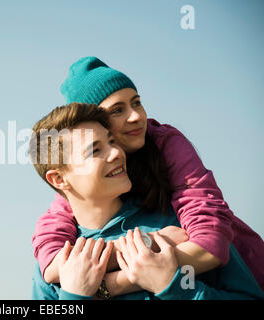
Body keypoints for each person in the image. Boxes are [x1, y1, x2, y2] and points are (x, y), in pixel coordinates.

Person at [32, 57, 264, 295]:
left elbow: (211, 242)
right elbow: (50, 265)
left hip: (252, 264)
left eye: (137, 103)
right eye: (117, 110)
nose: (135, 117)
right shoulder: (70, 213)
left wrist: (111, 285)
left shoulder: (165, 145)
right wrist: (148, 243)